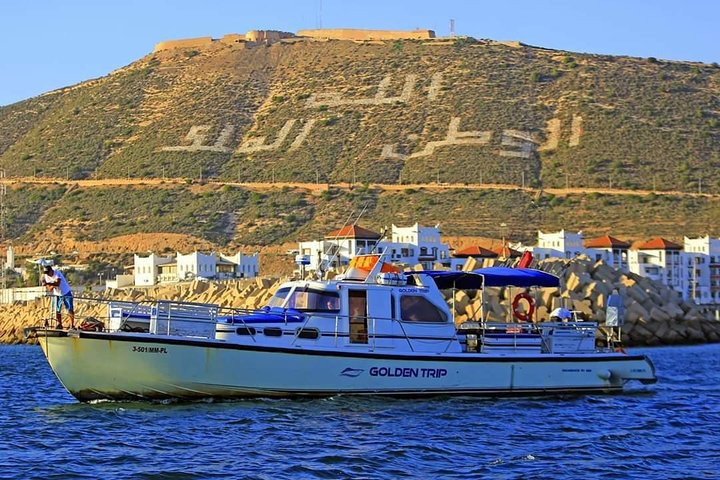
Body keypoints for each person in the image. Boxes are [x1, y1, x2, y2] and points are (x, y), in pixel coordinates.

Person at [41, 265, 75, 329]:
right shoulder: (46, 276)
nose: (48, 274)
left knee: (70, 309)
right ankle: (59, 324)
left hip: (65, 292)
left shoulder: (57, 273)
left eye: (48, 273)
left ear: (51, 271)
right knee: (57, 310)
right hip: (57, 294)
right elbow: (49, 289)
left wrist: (49, 284)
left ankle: (72, 325)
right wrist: (49, 284)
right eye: (46, 273)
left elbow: (57, 283)